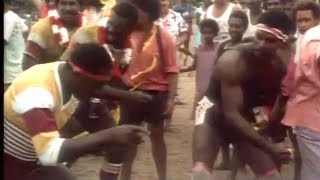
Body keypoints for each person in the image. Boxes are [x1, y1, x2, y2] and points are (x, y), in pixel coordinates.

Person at [4, 43, 149, 180]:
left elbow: (97, 88)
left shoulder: (63, 72)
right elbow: (48, 153)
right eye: (96, 85)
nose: (98, 91)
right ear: (77, 74)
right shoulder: (36, 93)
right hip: (13, 163)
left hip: (33, 158)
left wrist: (129, 96)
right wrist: (109, 135)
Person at [192, 10, 295, 180]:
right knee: (200, 173)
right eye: (259, 37)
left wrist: (270, 133)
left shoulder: (281, 66)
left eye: (269, 41)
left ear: (283, 44)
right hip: (213, 113)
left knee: (271, 177)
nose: (260, 45)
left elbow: (276, 104)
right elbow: (231, 114)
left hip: (247, 116)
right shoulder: (232, 60)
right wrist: (269, 147)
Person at [119, 0, 179, 179]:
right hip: (130, 93)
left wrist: (170, 99)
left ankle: (162, 177)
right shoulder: (126, 34)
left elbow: (172, 70)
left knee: (157, 137)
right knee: (129, 140)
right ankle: (125, 176)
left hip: (155, 95)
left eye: (137, 10)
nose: (134, 14)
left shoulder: (164, 37)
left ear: (147, 12)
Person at [263, 2, 320, 180]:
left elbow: (288, 85)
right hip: (294, 108)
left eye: (306, 20)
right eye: (299, 21)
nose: (302, 24)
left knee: (306, 160)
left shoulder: (307, 43)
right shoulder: (302, 43)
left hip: (301, 111)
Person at [281, 23, 320, 180]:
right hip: (311, 119)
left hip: (307, 116)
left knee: (313, 169)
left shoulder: (309, 36)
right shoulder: (314, 40)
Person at [213, 10, 250, 171]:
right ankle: (225, 160)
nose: (233, 29)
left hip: (241, 94)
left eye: (237, 26)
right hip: (222, 93)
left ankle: (239, 164)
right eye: (231, 26)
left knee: (240, 131)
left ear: (244, 28)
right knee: (222, 129)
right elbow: (216, 69)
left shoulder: (247, 46)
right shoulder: (223, 45)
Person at [22, 0, 84, 70]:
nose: (68, 8)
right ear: (56, 7)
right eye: (63, 3)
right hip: (44, 78)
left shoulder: (87, 28)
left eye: (72, 4)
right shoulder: (41, 28)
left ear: (81, 7)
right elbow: (28, 66)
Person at [180, 19, 219, 119]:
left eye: (210, 32)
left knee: (214, 117)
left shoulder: (219, 49)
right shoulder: (199, 50)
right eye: (204, 32)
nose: (207, 35)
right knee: (200, 118)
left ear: (215, 33)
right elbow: (193, 66)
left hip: (215, 89)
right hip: (201, 90)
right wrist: (179, 70)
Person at [4, 0, 29, 91]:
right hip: (17, 58)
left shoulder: (8, 17)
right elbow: (26, 30)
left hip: (11, 63)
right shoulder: (13, 16)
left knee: (9, 90)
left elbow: (4, 40)